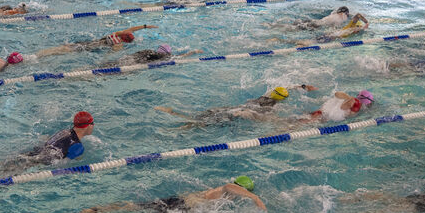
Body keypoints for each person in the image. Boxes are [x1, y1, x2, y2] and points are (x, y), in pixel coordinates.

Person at [72, 176, 265, 213]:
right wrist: (255, 198)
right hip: (181, 208)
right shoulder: (226, 190)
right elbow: (230, 186)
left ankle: (94, 210)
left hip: (177, 200)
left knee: (134, 206)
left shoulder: (216, 192)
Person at [156, 85, 317, 126]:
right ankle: (177, 124)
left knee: (201, 116)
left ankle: (173, 113)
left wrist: (300, 86)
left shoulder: (265, 96)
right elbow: (264, 119)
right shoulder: (273, 106)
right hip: (238, 113)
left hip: (232, 107)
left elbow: (284, 87)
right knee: (201, 124)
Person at [0, 111, 95, 173]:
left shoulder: (64, 131)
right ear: (87, 126)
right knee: (12, 172)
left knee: (9, 166)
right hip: (46, 160)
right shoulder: (78, 147)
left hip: (39, 152)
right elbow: (62, 164)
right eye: (92, 123)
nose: (93, 125)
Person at [36, 25, 155, 56]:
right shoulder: (118, 45)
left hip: (87, 42)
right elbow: (109, 56)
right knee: (65, 51)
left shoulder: (116, 34)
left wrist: (145, 26)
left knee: (64, 47)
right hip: (89, 48)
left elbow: (132, 29)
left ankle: (40, 54)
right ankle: (41, 55)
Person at [100, 43, 201, 67]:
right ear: (168, 52)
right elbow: (179, 57)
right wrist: (193, 52)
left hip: (128, 58)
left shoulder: (148, 51)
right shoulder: (164, 57)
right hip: (133, 63)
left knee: (110, 65)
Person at [308, 89, 373, 122]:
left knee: (302, 121)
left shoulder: (355, 102)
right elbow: (338, 96)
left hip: (322, 113)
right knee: (303, 124)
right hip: (323, 116)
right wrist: (349, 98)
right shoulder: (355, 102)